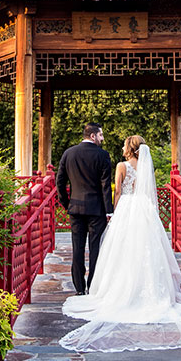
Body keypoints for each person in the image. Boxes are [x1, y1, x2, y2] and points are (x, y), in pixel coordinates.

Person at [59, 135, 181, 353]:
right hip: (144, 210)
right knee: (146, 251)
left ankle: (103, 288)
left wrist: (114, 210)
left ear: (129, 148)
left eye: (123, 144)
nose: (121, 147)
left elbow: (118, 190)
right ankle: (149, 291)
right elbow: (148, 191)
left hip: (127, 208)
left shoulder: (121, 165)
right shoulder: (147, 166)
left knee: (121, 250)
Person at [56, 122, 113, 296]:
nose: (103, 139)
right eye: (101, 135)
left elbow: (60, 181)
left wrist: (66, 203)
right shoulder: (103, 156)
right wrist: (109, 210)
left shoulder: (69, 153)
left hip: (75, 207)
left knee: (77, 247)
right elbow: (105, 186)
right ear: (93, 135)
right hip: (97, 210)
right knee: (95, 248)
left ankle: (79, 288)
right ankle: (93, 285)